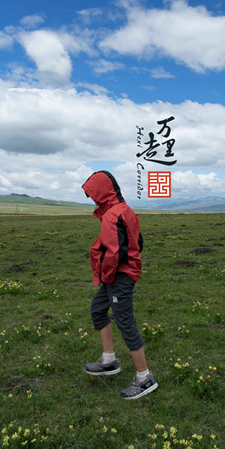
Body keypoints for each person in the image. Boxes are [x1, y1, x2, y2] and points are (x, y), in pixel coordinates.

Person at [80, 170, 157, 400]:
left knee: (125, 321)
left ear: (102, 193)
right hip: (119, 274)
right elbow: (138, 242)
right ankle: (108, 360)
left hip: (118, 276)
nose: (93, 199)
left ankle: (145, 378)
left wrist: (109, 276)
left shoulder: (113, 215)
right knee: (97, 308)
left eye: (93, 194)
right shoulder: (125, 211)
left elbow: (115, 253)